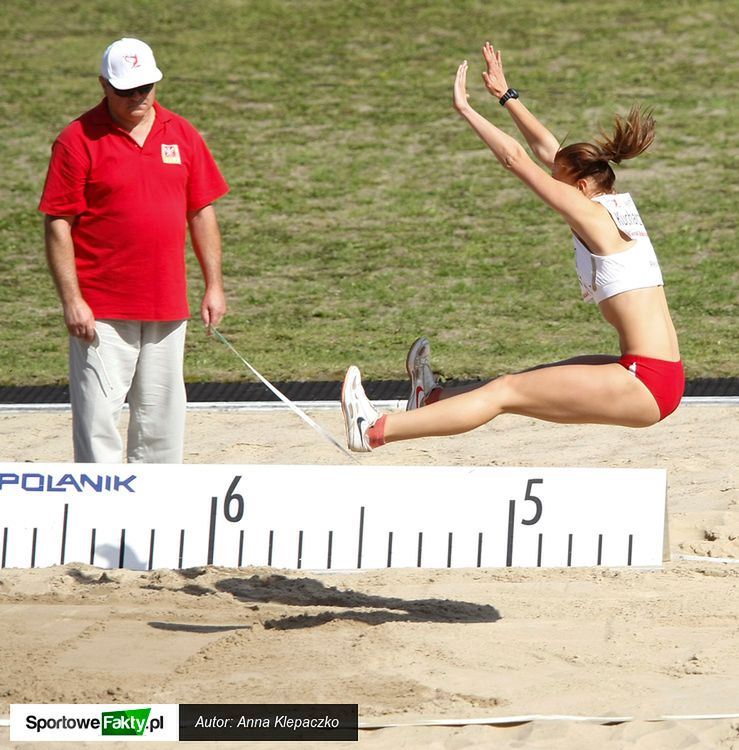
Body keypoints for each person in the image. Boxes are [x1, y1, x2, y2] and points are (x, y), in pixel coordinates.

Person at [341, 42, 683, 452]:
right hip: (656, 373)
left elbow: (517, 160)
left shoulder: (591, 216)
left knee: (505, 391)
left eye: (557, 183)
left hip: (644, 382)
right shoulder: (613, 204)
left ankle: (372, 431)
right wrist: (507, 97)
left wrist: (466, 110)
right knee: (523, 383)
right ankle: (430, 400)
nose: (550, 184)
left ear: (579, 187)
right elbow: (548, 151)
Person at [39, 37, 229, 463]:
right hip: (101, 309)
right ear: (104, 85)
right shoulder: (76, 139)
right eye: (126, 89)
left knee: (162, 422)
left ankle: (156, 504)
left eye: (145, 87)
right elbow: (58, 223)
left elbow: (201, 211)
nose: (138, 97)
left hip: (167, 303)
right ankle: (99, 503)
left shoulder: (182, 133)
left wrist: (214, 286)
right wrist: (72, 301)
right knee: (98, 420)